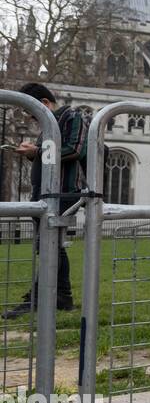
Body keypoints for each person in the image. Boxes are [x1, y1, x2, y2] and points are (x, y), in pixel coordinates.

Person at [3, 82, 87, 319]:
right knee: (53, 245)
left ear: (44, 104)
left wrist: (36, 152)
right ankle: (62, 297)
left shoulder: (72, 117)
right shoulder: (49, 126)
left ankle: (39, 298)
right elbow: (51, 159)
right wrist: (33, 154)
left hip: (62, 192)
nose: (33, 120)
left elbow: (74, 149)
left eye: (33, 114)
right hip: (45, 193)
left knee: (50, 244)